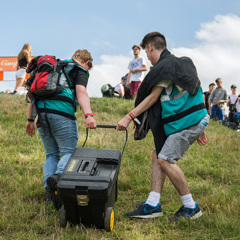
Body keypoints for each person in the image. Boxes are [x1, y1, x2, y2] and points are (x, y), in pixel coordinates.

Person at [117, 32, 209, 221]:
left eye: (147, 52)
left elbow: (152, 97)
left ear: (150, 48)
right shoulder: (182, 64)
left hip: (189, 123)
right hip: (193, 120)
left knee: (165, 159)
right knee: (157, 154)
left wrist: (128, 117)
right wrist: (199, 125)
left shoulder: (163, 69)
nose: (148, 57)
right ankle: (152, 204)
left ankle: (191, 207)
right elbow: (192, 93)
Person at [25, 49, 96, 207]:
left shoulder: (52, 68)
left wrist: (30, 119)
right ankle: (58, 179)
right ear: (87, 63)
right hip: (61, 112)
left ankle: (49, 193)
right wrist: (88, 115)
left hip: (41, 113)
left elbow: (32, 94)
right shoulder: (79, 69)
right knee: (68, 151)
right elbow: (81, 92)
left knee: (51, 154)